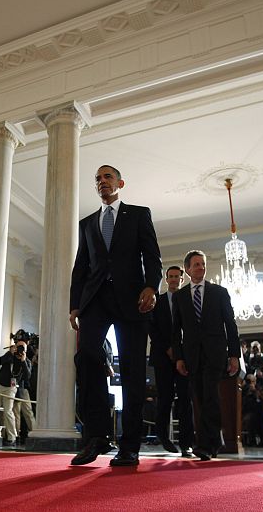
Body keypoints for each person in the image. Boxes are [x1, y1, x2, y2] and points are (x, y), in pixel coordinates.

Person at [69, 164, 162, 467]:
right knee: (87, 357)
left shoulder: (138, 214)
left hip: (132, 299)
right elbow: (81, 266)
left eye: (107, 177)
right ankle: (96, 436)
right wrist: (74, 305)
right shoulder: (87, 223)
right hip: (95, 300)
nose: (102, 182)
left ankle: (129, 445)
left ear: (120, 182)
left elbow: (151, 255)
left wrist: (151, 286)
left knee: (133, 370)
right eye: (97, 179)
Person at [171, 250, 240, 461]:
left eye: (203, 264)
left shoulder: (219, 292)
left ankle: (205, 444)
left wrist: (234, 354)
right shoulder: (180, 296)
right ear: (188, 269)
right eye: (196, 264)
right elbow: (176, 329)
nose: (201, 267)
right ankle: (215, 439)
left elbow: (230, 324)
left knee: (210, 393)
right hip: (192, 355)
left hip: (216, 352)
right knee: (200, 398)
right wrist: (179, 358)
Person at [148, 265, 194, 456]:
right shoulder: (157, 301)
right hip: (162, 357)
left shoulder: (189, 300)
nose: (174, 279)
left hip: (184, 358)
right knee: (165, 398)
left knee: (185, 400)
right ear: (166, 280)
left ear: (182, 280)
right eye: (171, 276)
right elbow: (152, 328)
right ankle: (163, 437)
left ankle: (186, 444)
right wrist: (168, 348)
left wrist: (181, 352)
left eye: (177, 277)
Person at [0, 337, 32, 446]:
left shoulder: (26, 361)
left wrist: (23, 361)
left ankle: (12, 438)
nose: (20, 349)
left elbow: (27, 376)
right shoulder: (9, 356)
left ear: (26, 350)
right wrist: (9, 353)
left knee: (8, 411)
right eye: (18, 347)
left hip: (11, 388)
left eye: (22, 348)